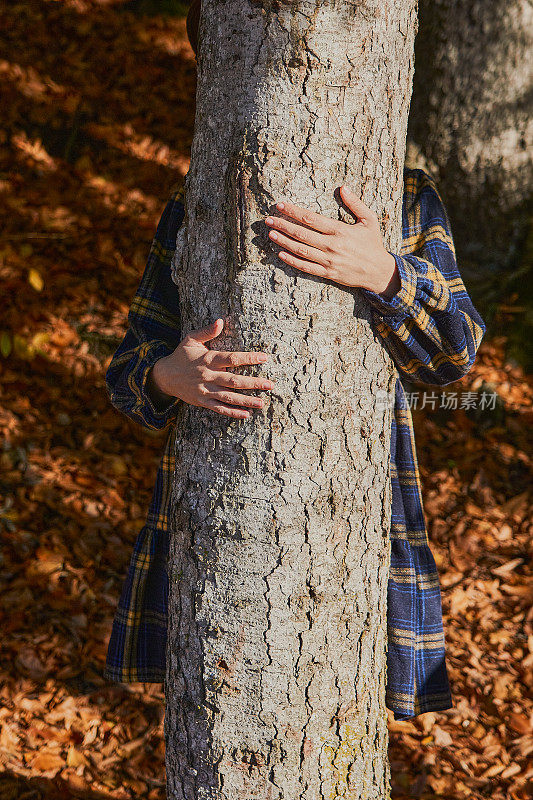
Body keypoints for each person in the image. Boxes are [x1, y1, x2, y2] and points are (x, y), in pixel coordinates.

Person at [103, 1, 486, 721]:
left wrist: (387, 274)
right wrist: (166, 376)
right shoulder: (196, 204)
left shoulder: (403, 198)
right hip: (210, 516)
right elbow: (126, 371)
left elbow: (455, 354)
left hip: (359, 516)